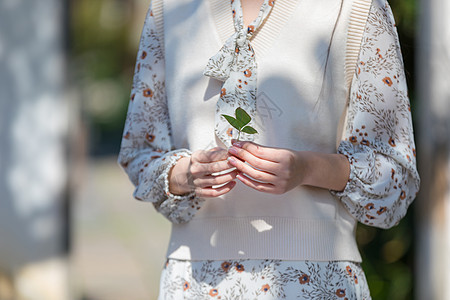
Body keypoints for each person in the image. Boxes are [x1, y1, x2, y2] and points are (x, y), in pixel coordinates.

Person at [118, 0, 420, 298]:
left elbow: (395, 180)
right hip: (192, 283)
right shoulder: (169, 9)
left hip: (317, 283)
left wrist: (306, 168)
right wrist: (186, 174)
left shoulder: (353, 8)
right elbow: (139, 153)